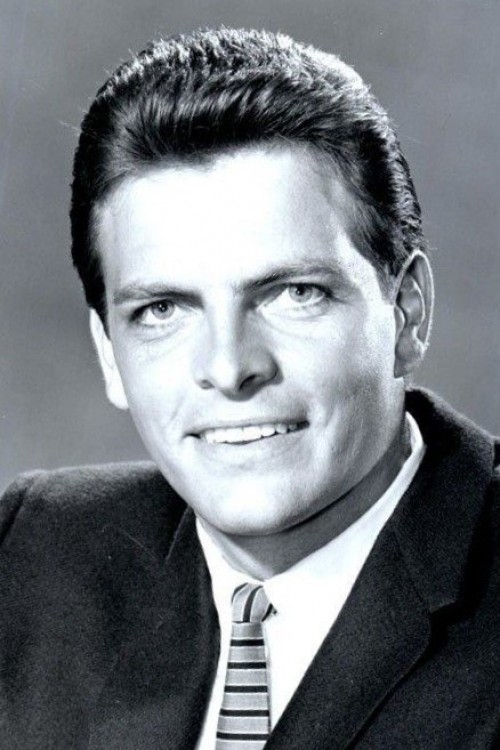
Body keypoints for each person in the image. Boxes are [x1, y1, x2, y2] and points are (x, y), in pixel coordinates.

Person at [0, 27, 499, 750]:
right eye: (162, 310)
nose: (231, 367)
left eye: (294, 293)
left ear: (407, 313)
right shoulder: (30, 558)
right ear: (109, 352)